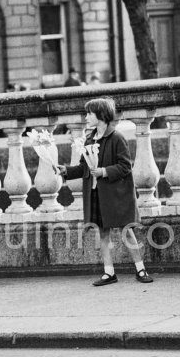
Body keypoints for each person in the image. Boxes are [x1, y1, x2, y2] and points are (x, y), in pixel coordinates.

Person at [57, 97, 153, 286]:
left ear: (101, 115)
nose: (86, 117)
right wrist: (66, 171)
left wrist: (104, 171)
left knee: (126, 230)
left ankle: (140, 269)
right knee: (102, 233)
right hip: (96, 193)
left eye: (89, 114)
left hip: (114, 194)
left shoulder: (117, 138)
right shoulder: (89, 138)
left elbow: (125, 166)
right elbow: (85, 167)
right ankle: (109, 272)